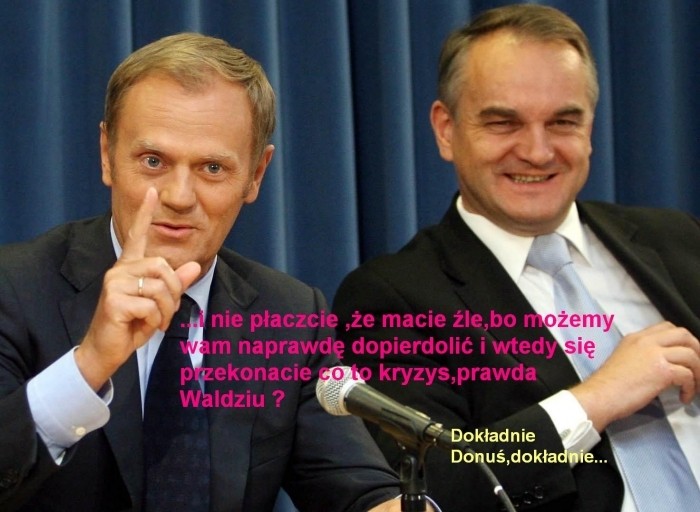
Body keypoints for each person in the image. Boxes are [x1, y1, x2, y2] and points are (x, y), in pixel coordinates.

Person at [0, 33, 406, 512]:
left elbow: (360, 491)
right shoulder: (15, 288)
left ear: (256, 174)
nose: (178, 196)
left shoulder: (291, 316)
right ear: (107, 154)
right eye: (153, 161)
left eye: (212, 168)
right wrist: (89, 364)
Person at [333, 4, 700, 512]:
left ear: (590, 127)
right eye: (504, 123)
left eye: (563, 121)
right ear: (445, 129)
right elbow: (430, 487)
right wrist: (597, 398)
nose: (537, 151)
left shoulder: (677, 238)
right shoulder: (392, 297)